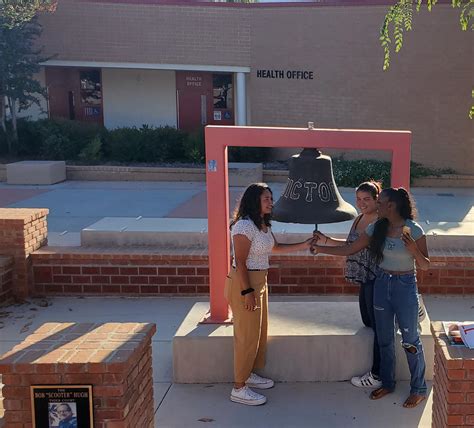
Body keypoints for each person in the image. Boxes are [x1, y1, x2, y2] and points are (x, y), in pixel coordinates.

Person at [311, 187, 430, 408]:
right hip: (381, 283)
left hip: (405, 286)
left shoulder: (413, 229)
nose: (377, 205)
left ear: (391, 206)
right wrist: (320, 248)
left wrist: (413, 250)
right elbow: (350, 249)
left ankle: (419, 388)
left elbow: (425, 265)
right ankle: (387, 383)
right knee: (383, 338)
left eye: (380, 202)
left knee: (410, 340)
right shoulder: (377, 227)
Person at [225, 182, 313, 406]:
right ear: (254, 200)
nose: (271, 202)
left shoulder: (262, 225)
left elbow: (276, 248)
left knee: (258, 333)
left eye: (271, 199)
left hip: (260, 280)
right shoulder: (244, 226)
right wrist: (247, 292)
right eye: (266, 199)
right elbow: (241, 263)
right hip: (245, 282)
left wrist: (305, 244)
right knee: (246, 336)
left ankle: (249, 374)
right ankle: (239, 387)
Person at [314, 180, 382, 389]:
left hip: (376, 278)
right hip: (364, 278)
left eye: (367, 199)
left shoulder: (379, 221)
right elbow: (349, 244)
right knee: (367, 320)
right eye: (359, 199)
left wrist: (321, 249)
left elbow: (351, 250)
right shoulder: (359, 218)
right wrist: (325, 239)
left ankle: (377, 374)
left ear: (377, 198)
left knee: (379, 327)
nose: (362, 203)